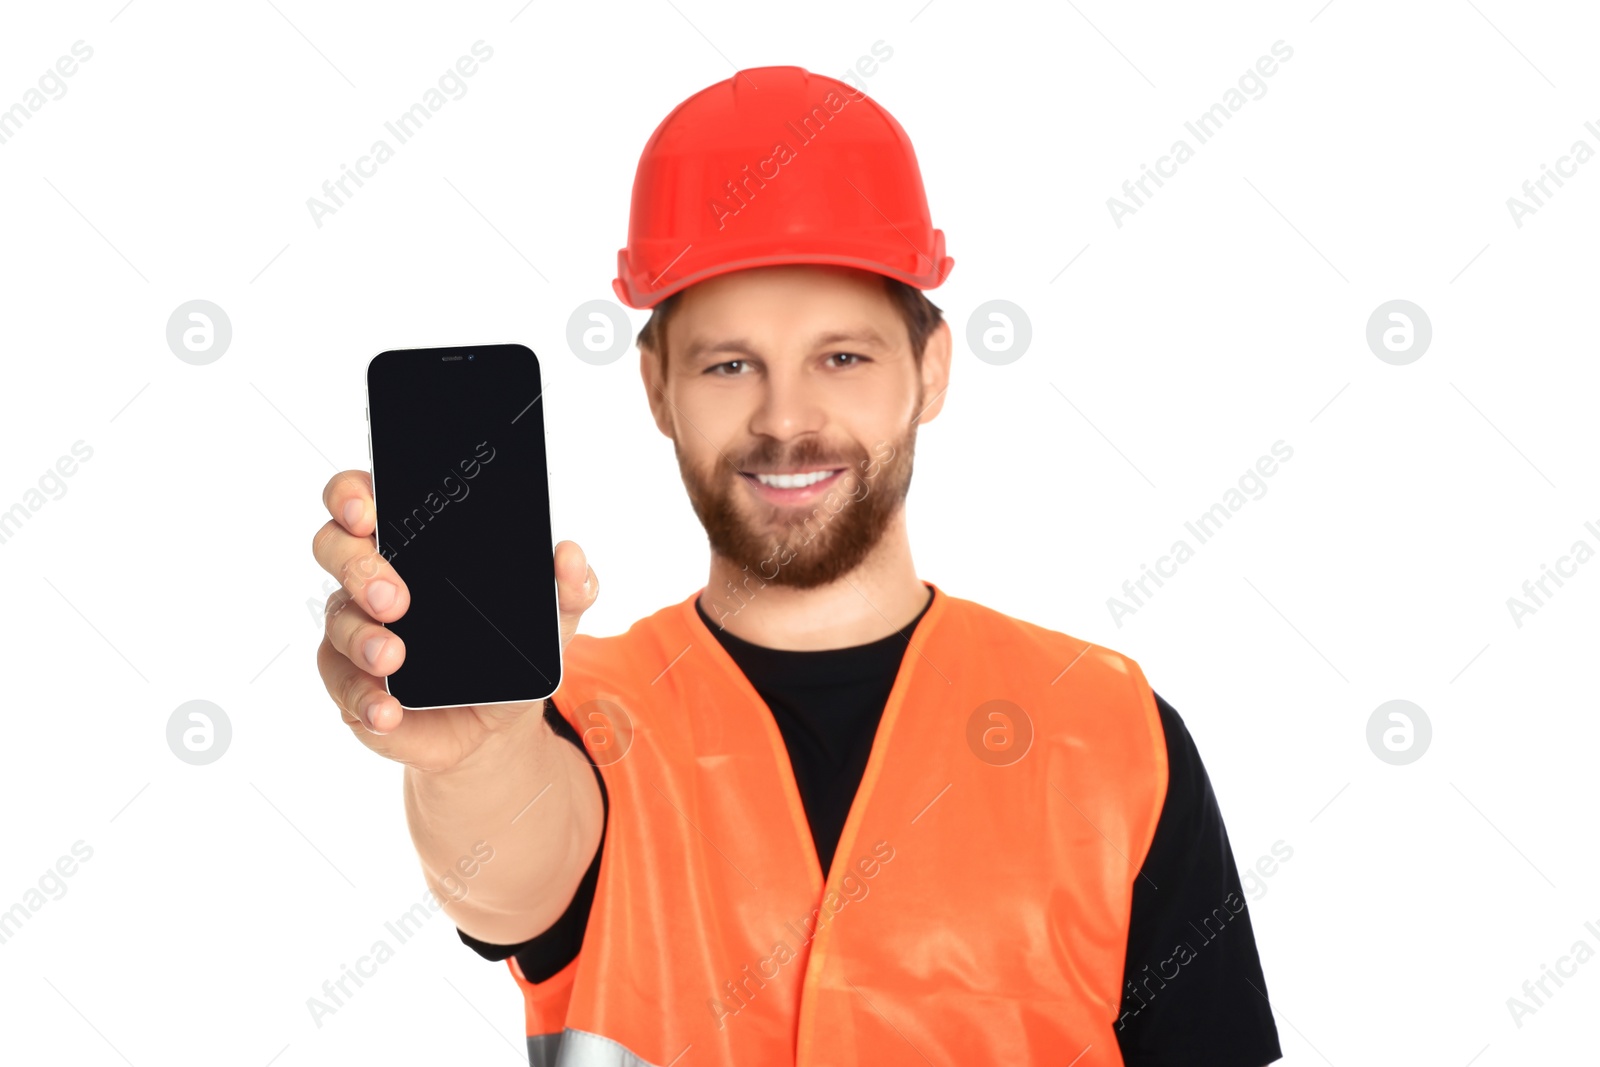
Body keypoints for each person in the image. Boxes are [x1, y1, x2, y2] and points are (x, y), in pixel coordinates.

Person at [312, 65, 1282, 1067]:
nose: (784, 419)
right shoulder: (574, 716)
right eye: (729, 364)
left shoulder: (1109, 730)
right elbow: (511, 876)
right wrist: (481, 753)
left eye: (842, 357)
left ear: (932, 369)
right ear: (657, 389)